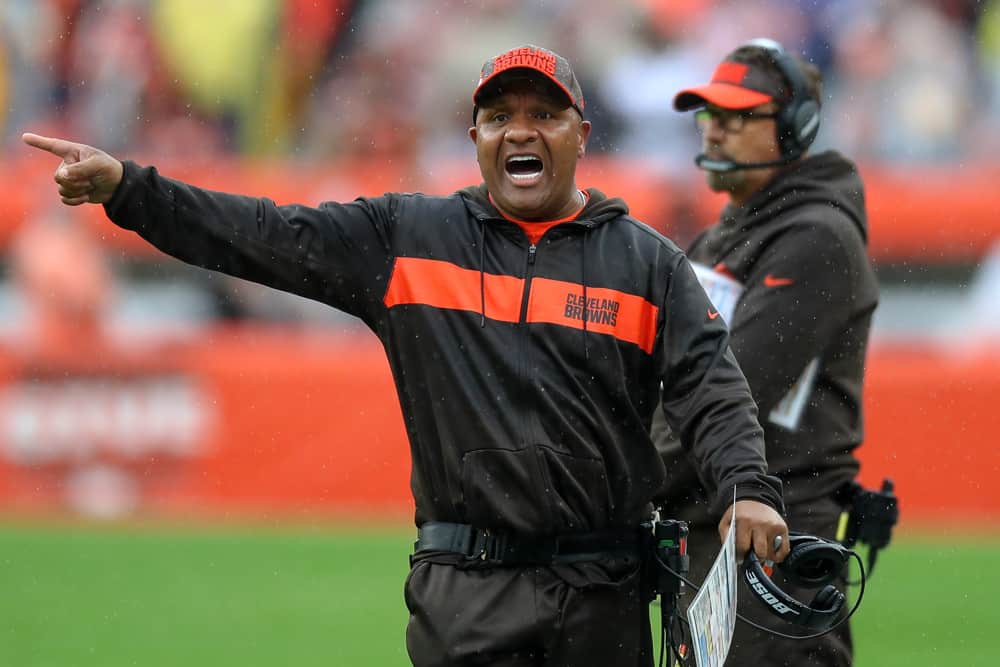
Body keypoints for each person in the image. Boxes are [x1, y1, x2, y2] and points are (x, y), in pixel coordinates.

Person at [25, 44, 790, 667]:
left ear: (581, 135)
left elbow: (710, 386)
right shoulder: (406, 237)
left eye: (544, 114)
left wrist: (747, 487)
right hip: (465, 597)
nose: (520, 130)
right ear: (475, 140)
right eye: (499, 117)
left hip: (603, 599)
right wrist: (131, 189)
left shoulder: (646, 263)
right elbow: (259, 232)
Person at [653, 38, 879, 666]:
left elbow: (732, 393)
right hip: (716, 527)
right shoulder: (725, 233)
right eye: (709, 116)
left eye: (738, 116)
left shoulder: (817, 237)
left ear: (795, 128)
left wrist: (622, 488)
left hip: (773, 537)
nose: (715, 131)